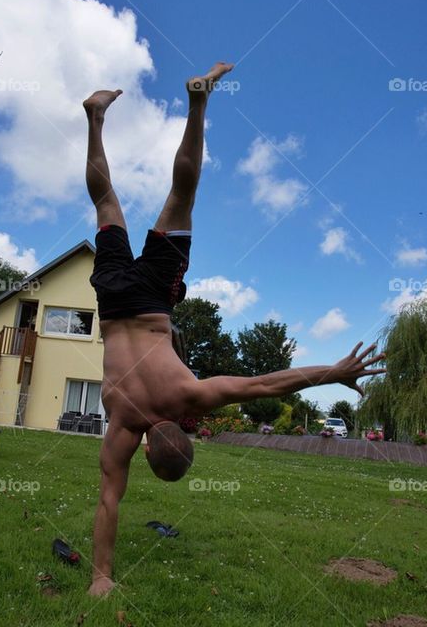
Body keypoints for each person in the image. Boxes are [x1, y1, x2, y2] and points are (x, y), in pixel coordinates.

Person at [82, 62, 386, 597]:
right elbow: (110, 499)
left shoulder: (191, 396)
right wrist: (100, 578)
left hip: (154, 300)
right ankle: (95, 117)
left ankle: (198, 104)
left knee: (182, 197)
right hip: (112, 304)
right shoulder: (124, 423)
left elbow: (268, 383)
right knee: (107, 205)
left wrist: (333, 372)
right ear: (146, 450)